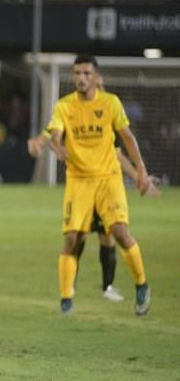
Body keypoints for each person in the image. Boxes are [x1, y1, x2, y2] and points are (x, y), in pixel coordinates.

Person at [42, 55, 152, 316]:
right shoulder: (64, 106)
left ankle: (142, 284)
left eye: (86, 74)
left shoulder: (110, 103)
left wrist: (141, 171)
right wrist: (56, 147)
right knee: (71, 238)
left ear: (95, 77)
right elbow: (54, 135)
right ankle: (66, 299)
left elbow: (127, 137)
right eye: (77, 73)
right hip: (78, 180)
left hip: (108, 179)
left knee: (119, 233)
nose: (81, 78)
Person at [28, 135, 159, 302]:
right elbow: (52, 137)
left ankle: (107, 287)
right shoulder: (73, 116)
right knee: (77, 237)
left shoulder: (107, 123)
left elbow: (117, 154)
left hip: (104, 187)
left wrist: (137, 177)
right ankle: (70, 286)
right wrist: (45, 145)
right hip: (82, 188)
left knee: (107, 236)